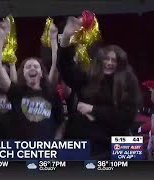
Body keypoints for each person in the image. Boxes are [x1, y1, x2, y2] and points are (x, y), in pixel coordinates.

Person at [57, 16, 141, 159]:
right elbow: (66, 69)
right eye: (106, 59)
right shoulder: (89, 77)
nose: (109, 63)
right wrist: (65, 41)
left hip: (114, 145)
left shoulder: (128, 81)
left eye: (114, 60)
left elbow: (126, 116)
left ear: (120, 63)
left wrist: (93, 110)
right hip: (82, 143)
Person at [0, 18, 64, 140]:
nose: (32, 68)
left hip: (46, 152)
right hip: (20, 152)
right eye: (28, 67)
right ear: (23, 73)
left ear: (41, 73)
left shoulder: (50, 93)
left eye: (36, 66)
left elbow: (61, 123)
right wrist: (1, 36)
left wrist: (53, 39)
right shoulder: (16, 92)